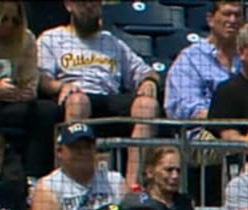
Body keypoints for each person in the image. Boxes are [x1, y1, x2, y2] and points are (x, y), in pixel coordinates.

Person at [37, 0, 159, 187]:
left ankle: (133, 184)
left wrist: (149, 81)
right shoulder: (51, 38)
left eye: (94, 2)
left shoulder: (111, 42)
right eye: (83, 2)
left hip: (109, 96)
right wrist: (60, 86)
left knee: (147, 105)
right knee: (79, 101)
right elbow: (42, 78)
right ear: (69, 5)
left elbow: (146, 71)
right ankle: (73, 180)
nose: (89, 6)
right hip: (74, 95)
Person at [0, 0, 58, 180]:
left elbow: (31, 80)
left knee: (47, 111)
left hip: (13, 100)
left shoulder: (26, 39)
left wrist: (25, 92)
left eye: (15, 20)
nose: (9, 25)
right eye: (4, 19)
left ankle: (33, 176)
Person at [29, 123, 124, 210]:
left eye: (87, 147)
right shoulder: (48, 185)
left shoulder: (114, 181)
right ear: (59, 152)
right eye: (75, 147)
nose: (83, 152)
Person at [162, 0, 242, 131]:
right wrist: (225, 120)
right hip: (203, 135)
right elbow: (186, 109)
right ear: (210, 19)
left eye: (237, 15)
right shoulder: (190, 59)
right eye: (227, 14)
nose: (232, 20)